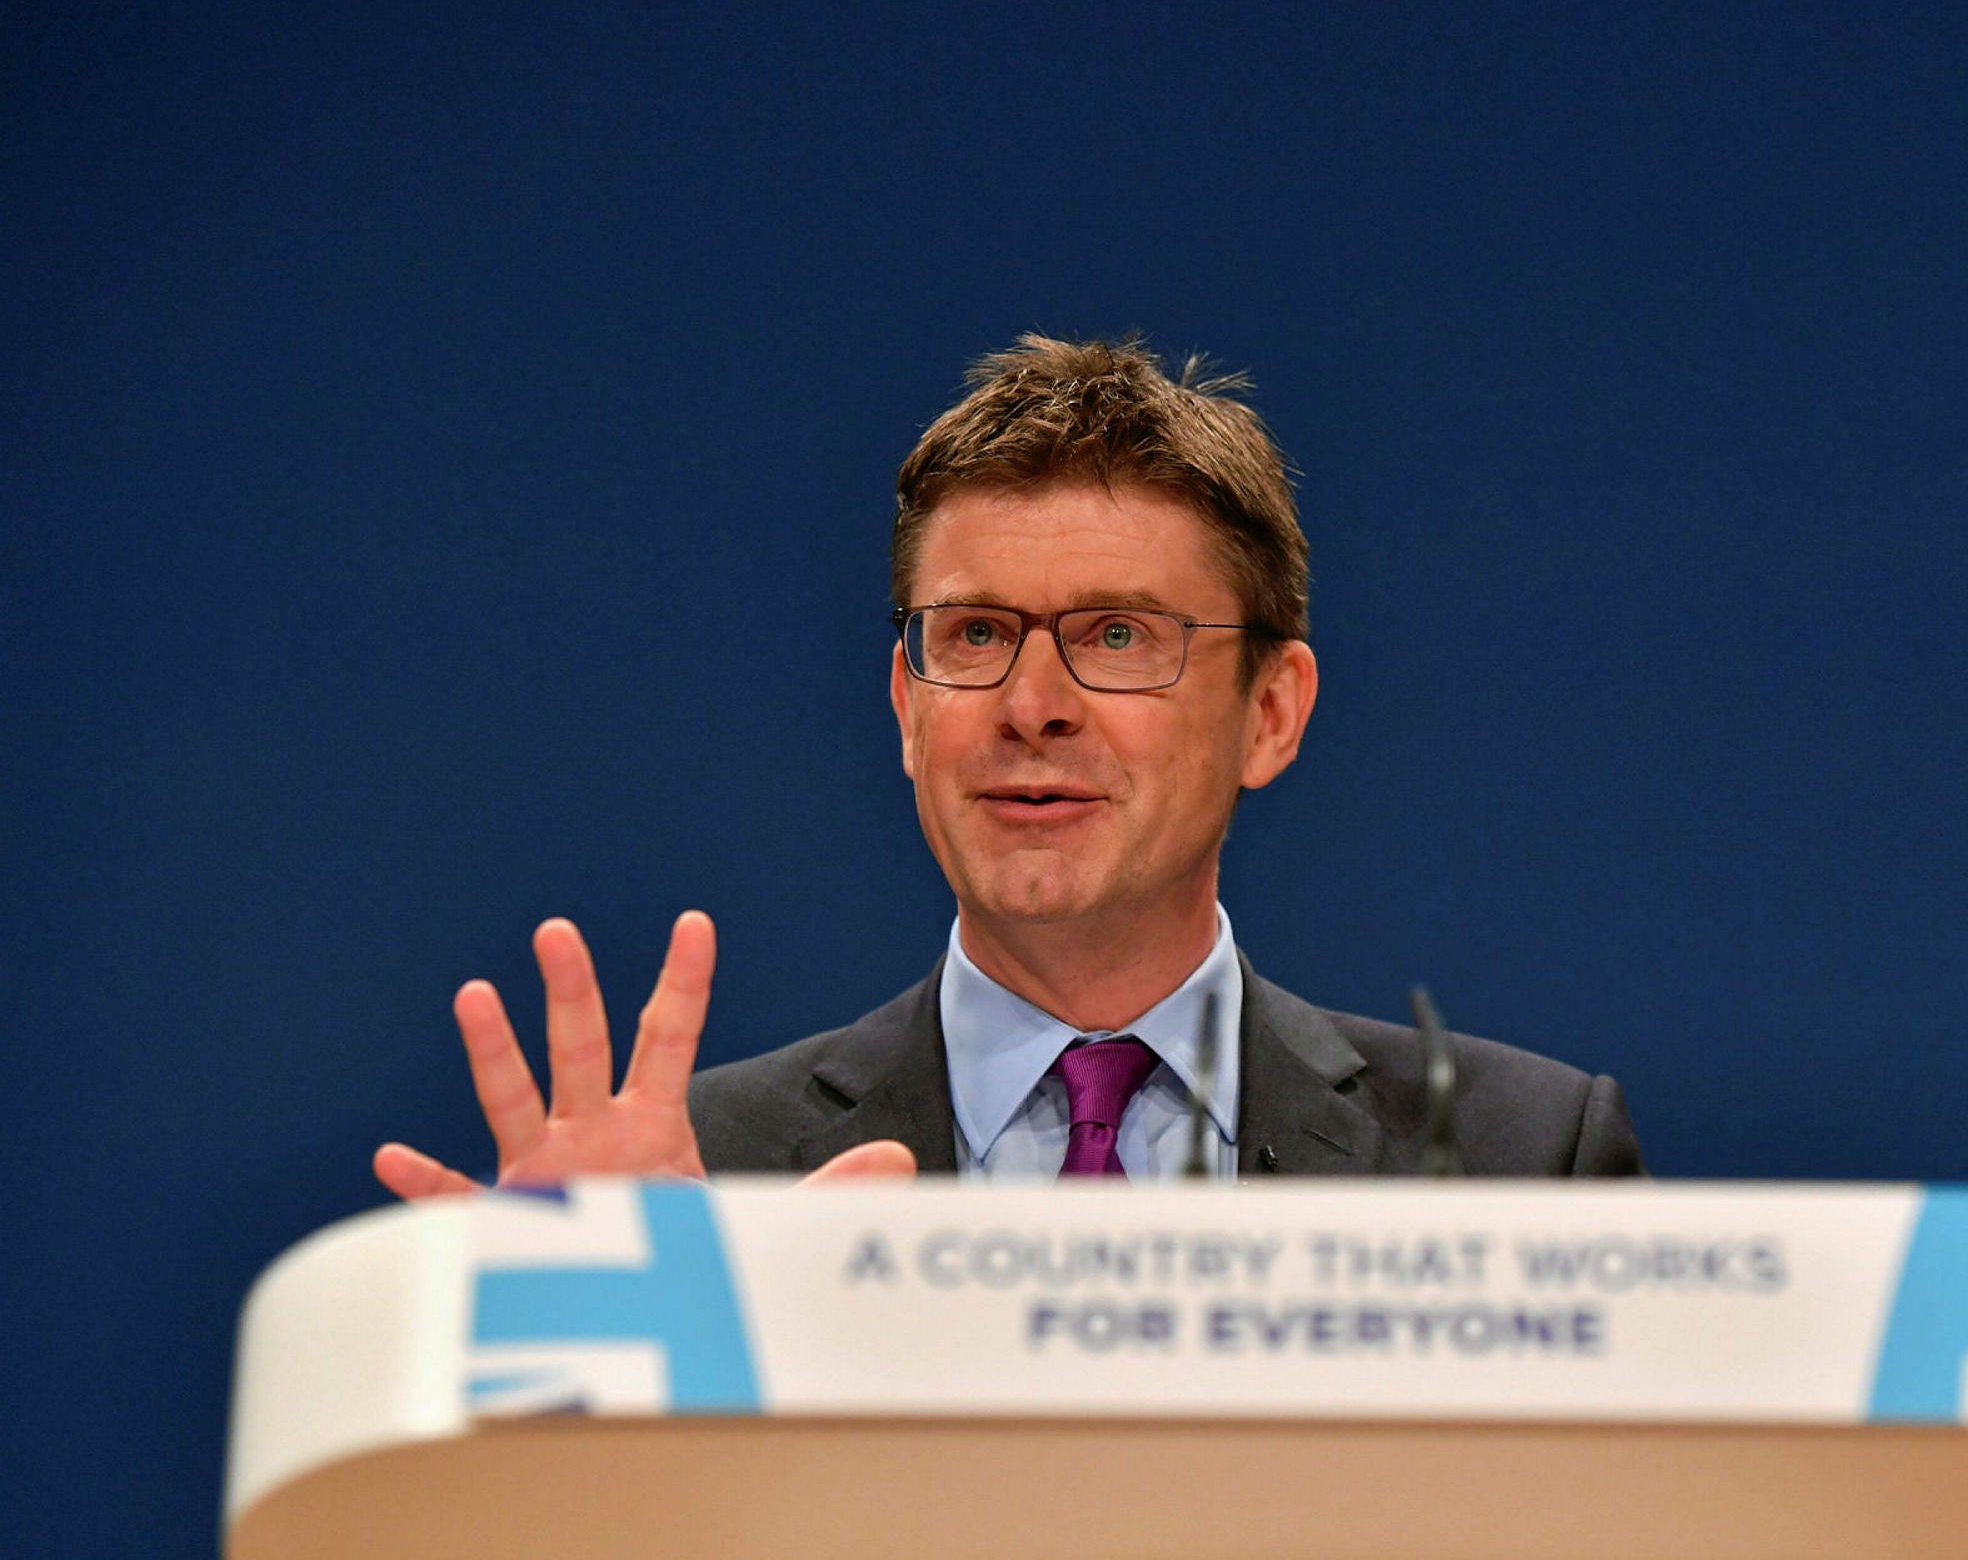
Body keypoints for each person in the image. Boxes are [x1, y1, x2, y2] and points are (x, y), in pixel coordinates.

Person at [373, 336, 1642, 1197]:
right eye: (975, 635)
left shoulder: (1516, 1161)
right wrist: (587, 1394)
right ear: (906, 706)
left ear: (1270, 711)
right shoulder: (707, 1187)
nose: (1032, 707)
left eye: (1118, 636)